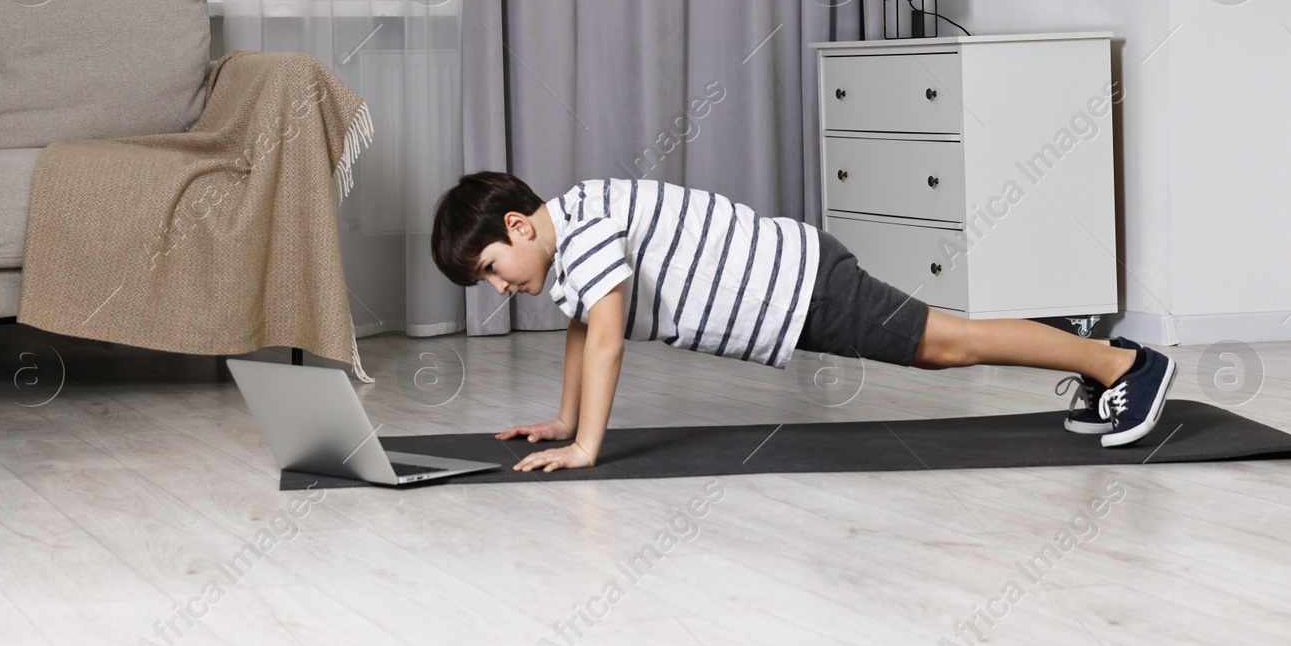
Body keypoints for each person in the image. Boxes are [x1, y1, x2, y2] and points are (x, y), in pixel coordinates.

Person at [430, 172, 1176, 473]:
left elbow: (608, 334)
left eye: (492, 267)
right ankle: (1100, 361)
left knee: (950, 343)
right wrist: (563, 420)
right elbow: (583, 325)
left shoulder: (586, 231)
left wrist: (588, 444)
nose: (498, 286)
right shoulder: (571, 238)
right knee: (947, 343)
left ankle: (1122, 365)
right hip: (791, 291)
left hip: (803, 285)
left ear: (520, 226)